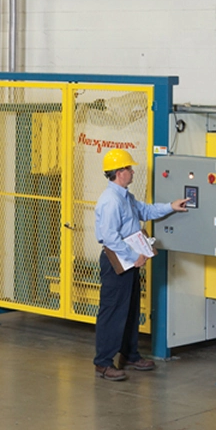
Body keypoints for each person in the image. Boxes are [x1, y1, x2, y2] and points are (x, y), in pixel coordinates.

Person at [93, 147, 187, 380]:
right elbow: (109, 237)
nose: (133, 172)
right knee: (112, 312)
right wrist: (133, 255)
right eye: (129, 168)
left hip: (130, 263)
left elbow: (145, 210)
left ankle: (130, 354)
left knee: (130, 310)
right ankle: (103, 363)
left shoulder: (125, 197)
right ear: (119, 172)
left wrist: (171, 207)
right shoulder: (110, 201)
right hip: (118, 263)